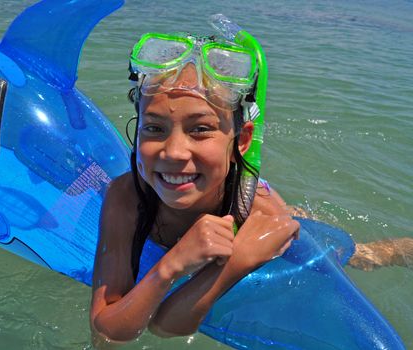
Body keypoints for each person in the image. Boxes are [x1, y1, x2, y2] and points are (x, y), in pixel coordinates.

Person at [89, 27, 413, 347]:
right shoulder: (127, 195)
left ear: (242, 140)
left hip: (250, 205)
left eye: (200, 129)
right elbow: (110, 330)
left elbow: (167, 327)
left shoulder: (258, 212)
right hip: (214, 201)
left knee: (346, 252)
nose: (173, 152)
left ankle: (391, 250)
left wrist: (238, 261)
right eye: (155, 128)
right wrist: (173, 264)